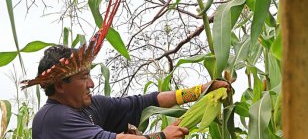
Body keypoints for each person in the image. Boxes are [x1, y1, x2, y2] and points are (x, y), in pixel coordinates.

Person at [26, 45, 230, 139]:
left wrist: (201, 90)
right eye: (83, 78)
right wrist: (163, 137)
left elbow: (147, 102)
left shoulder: (92, 105)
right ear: (60, 85)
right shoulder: (53, 119)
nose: (91, 83)